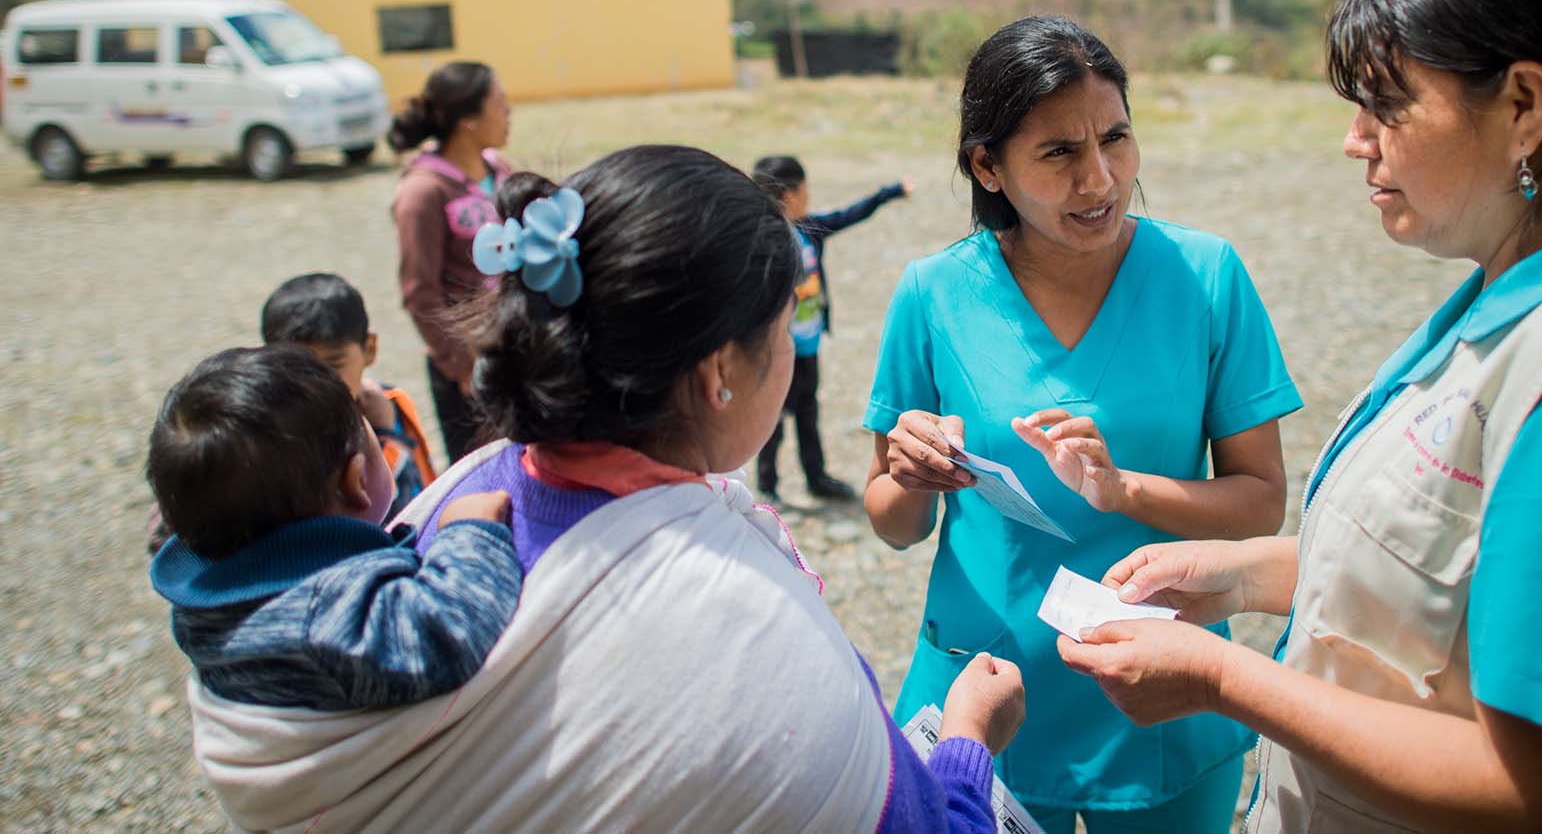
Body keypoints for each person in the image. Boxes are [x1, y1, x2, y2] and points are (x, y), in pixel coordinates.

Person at [1057, 0, 1542, 834]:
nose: (1356, 141)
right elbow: (1449, 590)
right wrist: (1239, 576)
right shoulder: (1520, 295)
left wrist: (1218, 675)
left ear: (1525, 105)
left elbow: (1538, 791)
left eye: (1388, 106)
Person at [181, 144, 1027, 834]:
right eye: (778, 327)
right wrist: (966, 740)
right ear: (720, 372)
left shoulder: (461, 490)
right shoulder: (737, 622)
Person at [863, 15, 1302, 834]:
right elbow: (891, 523)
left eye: (1116, 139)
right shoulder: (932, 294)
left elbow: (1259, 503)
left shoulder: (1206, 276)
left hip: (1159, 690)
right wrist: (908, 473)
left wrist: (1124, 488)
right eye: (1059, 153)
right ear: (986, 165)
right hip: (983, 694)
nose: (1099, 180)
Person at [146, 345, 521, 710]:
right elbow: (449, 636)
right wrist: (470, 533)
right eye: (371, 432)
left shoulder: (202, 609)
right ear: (355, 482)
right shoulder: (329, 620)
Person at [751, 154, 915, 504]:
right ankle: (768, 486)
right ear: (789, 195)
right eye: (805, 190)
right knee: (773, 419)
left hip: (808, 345)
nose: (809, 196)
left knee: (808, 413)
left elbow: (849, 215)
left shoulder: (809, 230)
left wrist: (890, 192)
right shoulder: (763, 240)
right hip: (778, 349)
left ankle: (816, 478)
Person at [387, 60, 512, 463]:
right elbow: (419, 292)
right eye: (499, 102)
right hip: (468, 373)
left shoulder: (502, 171)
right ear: (468, 120)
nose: (509, 111)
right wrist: (462, 365)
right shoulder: (423, 191)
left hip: (514, 351)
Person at [261, 271, 438, 513]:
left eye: (335, 364)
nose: (319, 380)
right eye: (297, 365)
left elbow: (423, 494)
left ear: (370, 349)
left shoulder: (393, 403)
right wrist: (386, 437)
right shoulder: (271, 436)